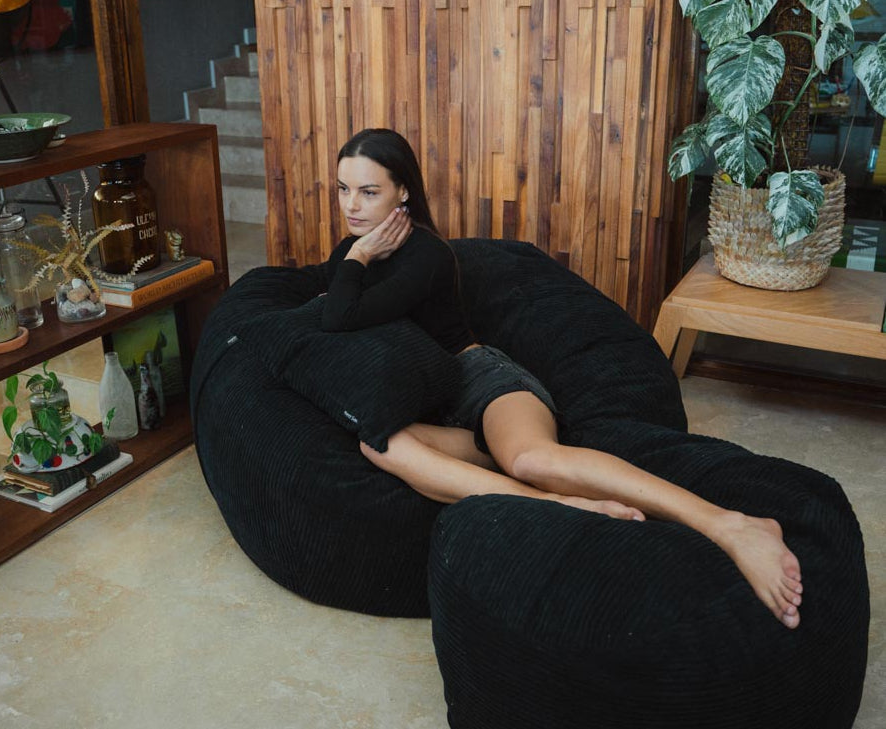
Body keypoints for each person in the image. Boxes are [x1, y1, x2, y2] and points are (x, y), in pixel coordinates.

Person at [321, 128, 804, 630]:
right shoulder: (352, 254)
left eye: (369, 191)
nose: (352, 206)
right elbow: (328, 313)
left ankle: (731, 525)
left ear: (403, 191)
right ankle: (559, 505)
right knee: (378, 444)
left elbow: (339, 318)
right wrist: (355, 257)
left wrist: (355, 261)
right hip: (435, 407)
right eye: (342, 189)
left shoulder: (425, 253)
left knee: (530, 458)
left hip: (480, 383)